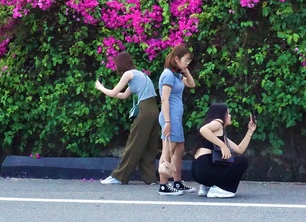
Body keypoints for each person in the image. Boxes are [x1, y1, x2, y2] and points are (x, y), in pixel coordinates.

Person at [95, 51, 160, 185]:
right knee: (149, 146)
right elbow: (124, 95)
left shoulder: (128, 74)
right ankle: (150, 178)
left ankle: (119, 177)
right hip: (154, 110)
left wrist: (101, 88)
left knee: (134, 143)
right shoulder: (139, 75)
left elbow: (113, 93)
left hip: (145, 110)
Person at [191, 103, 256, 198]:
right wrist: (222, 146)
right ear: (221, 115)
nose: (230, 116)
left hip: (197, 172)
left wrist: (250, 131)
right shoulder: (218, 123)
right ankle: (223, 189)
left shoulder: (218, 133)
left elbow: (239, 149)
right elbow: (203, 130)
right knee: (242, 161)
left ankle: (207, 186)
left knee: (237, 158)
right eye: (228, 113)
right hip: (205, 171)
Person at [157, 44, 196, 195]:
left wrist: (186, 70)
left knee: (179, 150)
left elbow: (191, 84)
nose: (187, 63)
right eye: (185, 60)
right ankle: (163, 184)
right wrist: (167, 122)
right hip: (170, 118)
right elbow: (164, 99)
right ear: (176, 59)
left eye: (189, 61)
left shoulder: (176, 75)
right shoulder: (167, 75)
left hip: (175, 118)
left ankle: (177, 182)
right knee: (168, 150)